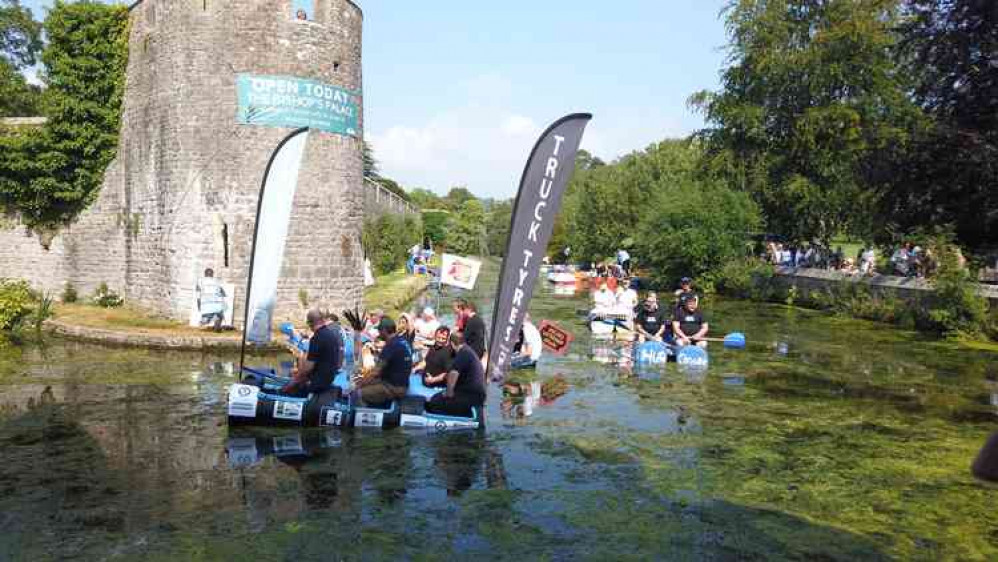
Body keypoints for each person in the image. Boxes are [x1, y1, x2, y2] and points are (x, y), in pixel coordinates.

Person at [281, 309, 343, 396]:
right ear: (322, 320)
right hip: (329, 379)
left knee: (288, 390)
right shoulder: (330, 334)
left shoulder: (317, 338)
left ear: (310, 323)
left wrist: (293, 382)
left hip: (318, 384)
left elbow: (308, 368)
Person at [425, 331, 486, 417]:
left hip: (470, 396)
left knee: (434, 402)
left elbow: (453, 373)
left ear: (452, 343)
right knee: (438, 397)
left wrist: (448, 393)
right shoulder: (469, 351)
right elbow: (449, 374)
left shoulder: (462, 354)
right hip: (477, 395)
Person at [356, 317, 411, 405]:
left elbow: (376, 372)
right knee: (365, 382)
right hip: (401, 384)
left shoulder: (391, 346)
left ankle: (365, 415)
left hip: (393, 387)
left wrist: (360, 384)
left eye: (379, 330)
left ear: (384, 330)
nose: (378, 333)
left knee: (357, 393)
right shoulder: (402, 341)